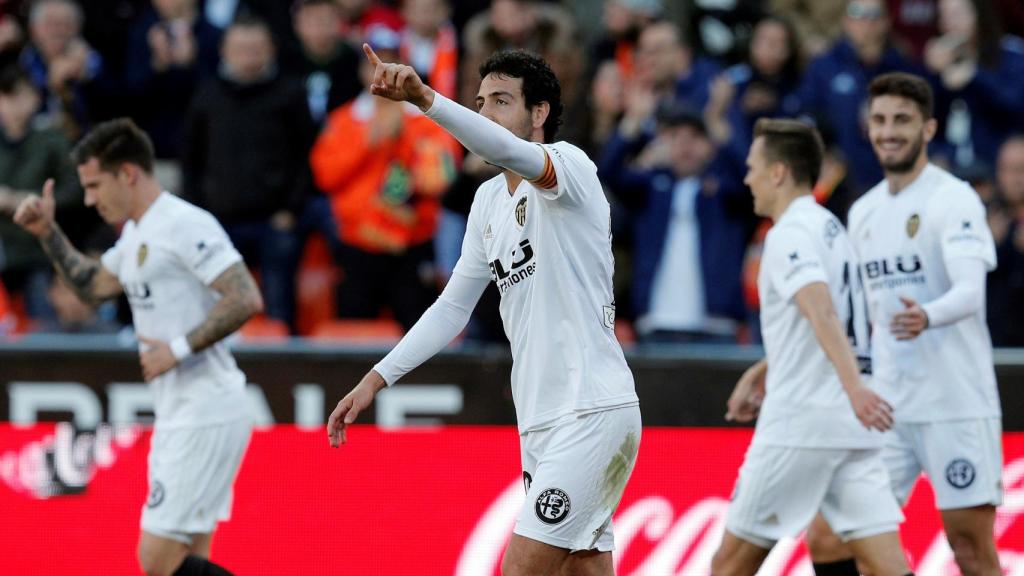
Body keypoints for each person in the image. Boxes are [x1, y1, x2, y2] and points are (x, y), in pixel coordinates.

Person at [327, 46, 641, 576]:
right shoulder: (488, 201)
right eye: (479, 102)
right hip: (540, 422)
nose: (484, 114)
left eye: (501, 101)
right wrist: (377, 378)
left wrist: (426, 100)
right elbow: (453, 308)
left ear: (538, 113)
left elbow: (510, 150)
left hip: (590, 410)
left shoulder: (568, 169)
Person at [13, 118, 261, 576]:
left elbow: (245, 296)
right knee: (190, 556)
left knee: (156, 560)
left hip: (203, 408)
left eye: (94, 185)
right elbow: (93, 286)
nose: (90, 200)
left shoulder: (184, 223)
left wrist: (177, 348)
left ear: (128, 173)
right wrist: (49, 233)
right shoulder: (137, 235)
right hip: (183, 409)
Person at [805, 72, 1003, 576]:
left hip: (953, 404)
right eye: (880, 120)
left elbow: (970, 292)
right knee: (831, 539)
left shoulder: (953, 199)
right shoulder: (865, 211)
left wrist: (927, 315)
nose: (889, 131)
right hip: (887, 408)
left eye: (902, 120)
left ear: (928, 128)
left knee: (971, 551)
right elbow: (855, 313)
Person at [710, 118, 911, 576]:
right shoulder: (830, 229)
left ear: (778, 172)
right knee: (885, 564)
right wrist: (766, 368)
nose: (747, 178)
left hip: (801, 423)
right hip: (849, 428)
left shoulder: (788, 234)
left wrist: (854, 387)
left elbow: (819, 309)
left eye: (753, 167)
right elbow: (827, 319)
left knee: (728, 565)